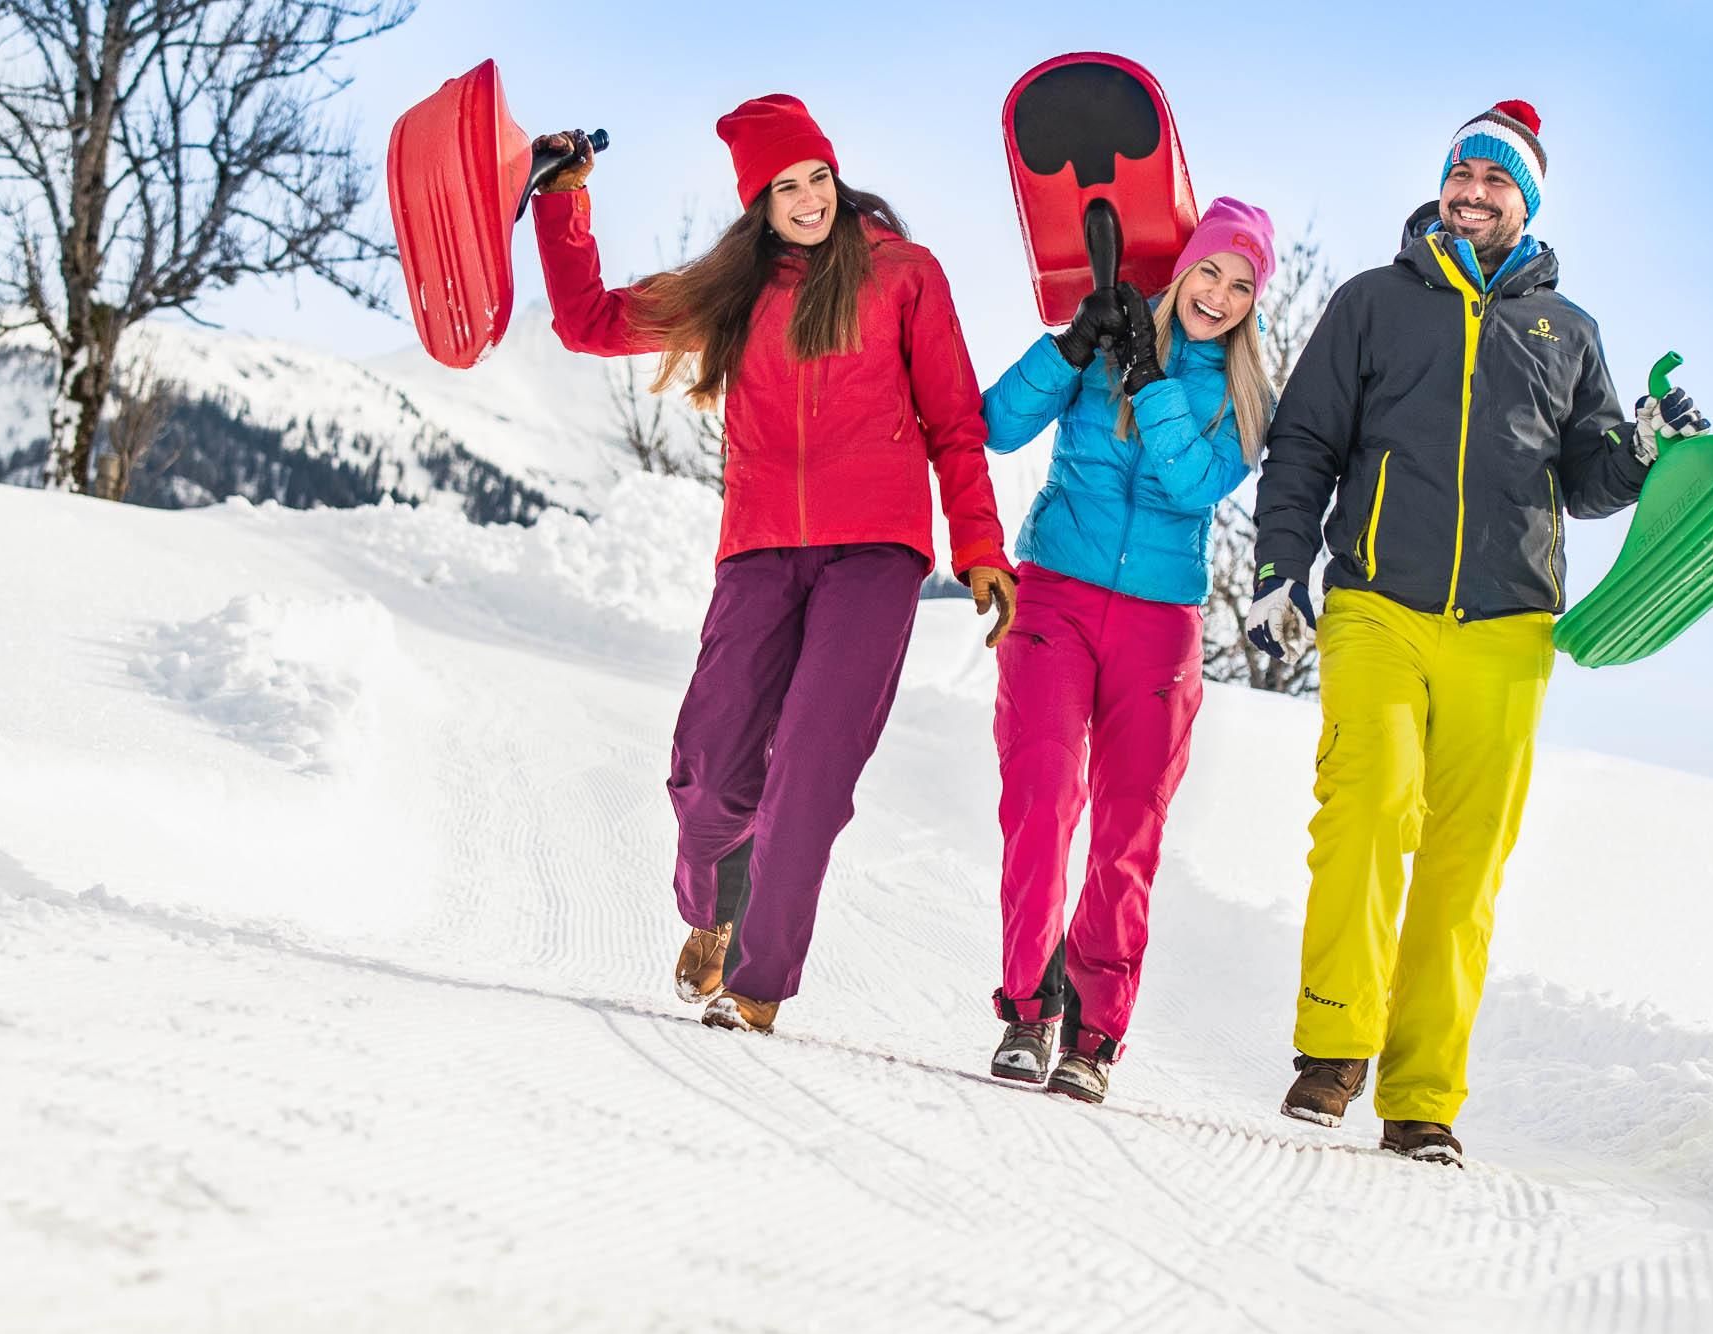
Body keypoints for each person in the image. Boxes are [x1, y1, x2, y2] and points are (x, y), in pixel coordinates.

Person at [1247, 100, 1709, 1164]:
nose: (1471, 193)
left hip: (1506, 627)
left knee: (1465, 865)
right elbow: (1305, 441)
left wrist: (1640, 445)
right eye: (1461, 173)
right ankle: (1334, 1049)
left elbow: (1588, 479)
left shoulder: (1567, 331)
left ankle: (1421, 1098)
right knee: (1365, 806)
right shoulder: (1372, 302)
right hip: (1378, 602)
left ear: (1525, 202)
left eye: (1495, 180)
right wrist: (1278, 567)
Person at [528, 96, 1019, 1035]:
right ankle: (714, 909)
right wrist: (561, 202)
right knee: (709, 769)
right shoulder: (732, 288)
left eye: (818, 177)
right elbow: (588, 322)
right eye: (786, 186)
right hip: (758, 548)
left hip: (874, 552)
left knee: (810, 768)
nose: (808, 199)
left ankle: (758, 984)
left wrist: (980, 546)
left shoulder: (903, 273)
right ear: (758, 201)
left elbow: (954, 421)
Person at [978, 199, 1278, 1103]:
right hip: (1056, 596)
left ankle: (1093, 1032)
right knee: (1041, 797)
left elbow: (1192, 485)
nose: (1219, 295)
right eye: (1210, 271)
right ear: (1182, 269)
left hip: (1159, 627)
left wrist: (1150, 379)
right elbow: (995, 423)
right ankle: (1029, 1006)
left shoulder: (1245, 397)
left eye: (1242, 285)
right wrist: (1072, 346)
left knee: (1127, 830)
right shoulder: (1103, 335)